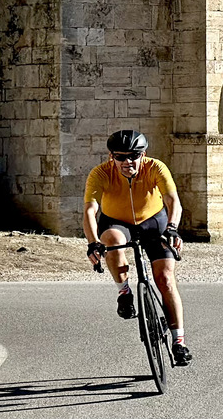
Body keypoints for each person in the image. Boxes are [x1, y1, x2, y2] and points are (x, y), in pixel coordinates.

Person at [83, 129, 192, 366]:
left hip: (154, 221)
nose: (127, 162)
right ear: (112, 156)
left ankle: (179, 342)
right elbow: (90, 210)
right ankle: (124, 291)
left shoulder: (156, 168)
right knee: (111, 239)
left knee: (165, 279)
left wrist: (172, 228)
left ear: (144, 154)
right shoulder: (100, 173)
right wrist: (93, 243)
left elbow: (173, 202)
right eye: (120, 157)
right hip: (116, 222)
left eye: (133, 156)